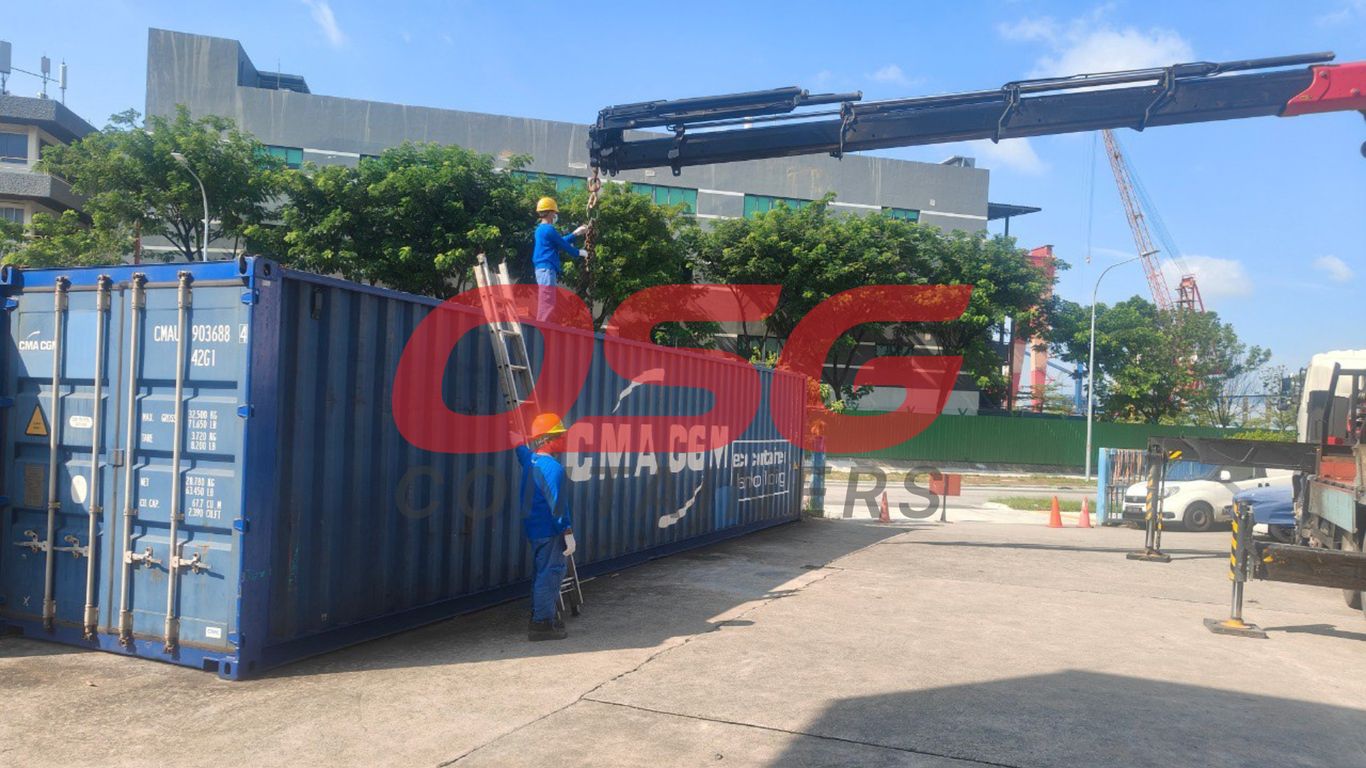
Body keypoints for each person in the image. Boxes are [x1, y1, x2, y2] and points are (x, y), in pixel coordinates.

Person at [513, 412, 577, 641]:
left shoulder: (530, 460)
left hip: (534, 529)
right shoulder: (553, 468)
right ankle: (542, 624)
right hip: (550, 531)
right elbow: (557, 506)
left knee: (541, 572)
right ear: (547, 439)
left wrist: (517, 439)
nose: (565, 439)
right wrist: (567, 532)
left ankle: (539, 615)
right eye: (560, 435)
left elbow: (521, 452)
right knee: (550, 574)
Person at [532, 196, 589, 322]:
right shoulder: (548, 229)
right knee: (547, 302)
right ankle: (541, 328)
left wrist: (575, 234)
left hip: (543, 269)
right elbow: (563, 245)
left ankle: (542, 326)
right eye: (555, 213)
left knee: (547, 301)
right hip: (546, 269)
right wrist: (579, 252)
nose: (555, 216)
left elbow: (559, 242)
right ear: (551, 213)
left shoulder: (541, 230)